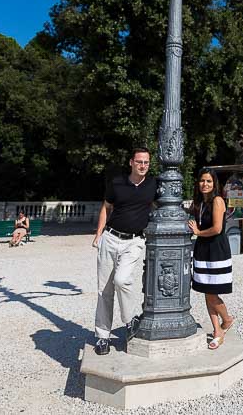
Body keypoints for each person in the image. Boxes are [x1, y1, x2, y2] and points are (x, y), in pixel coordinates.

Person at [92, 147, 156, 356]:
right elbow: (106, 207)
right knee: (105, 290)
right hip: (110, 238)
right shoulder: (117, 183)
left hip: (134, 241)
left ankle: (130, 320)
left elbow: (161, 205)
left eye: (146, 162)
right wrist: (98, 234)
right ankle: (103, 337)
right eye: (139, 162)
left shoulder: (153, 184)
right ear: (131, 162)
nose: (143, 166)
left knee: (122, 280)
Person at [188, 168, 235, 350]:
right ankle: (217, 330)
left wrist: (198, 232)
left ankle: (227, 319)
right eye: (202, 181)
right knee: (207, 292)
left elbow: (216, 228)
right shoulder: (199, 203)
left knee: (212, 292)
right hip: (202, 249)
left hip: (216, 250)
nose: (205, 184)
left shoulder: (217, 201)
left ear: (214, 184)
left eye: (208, 181)